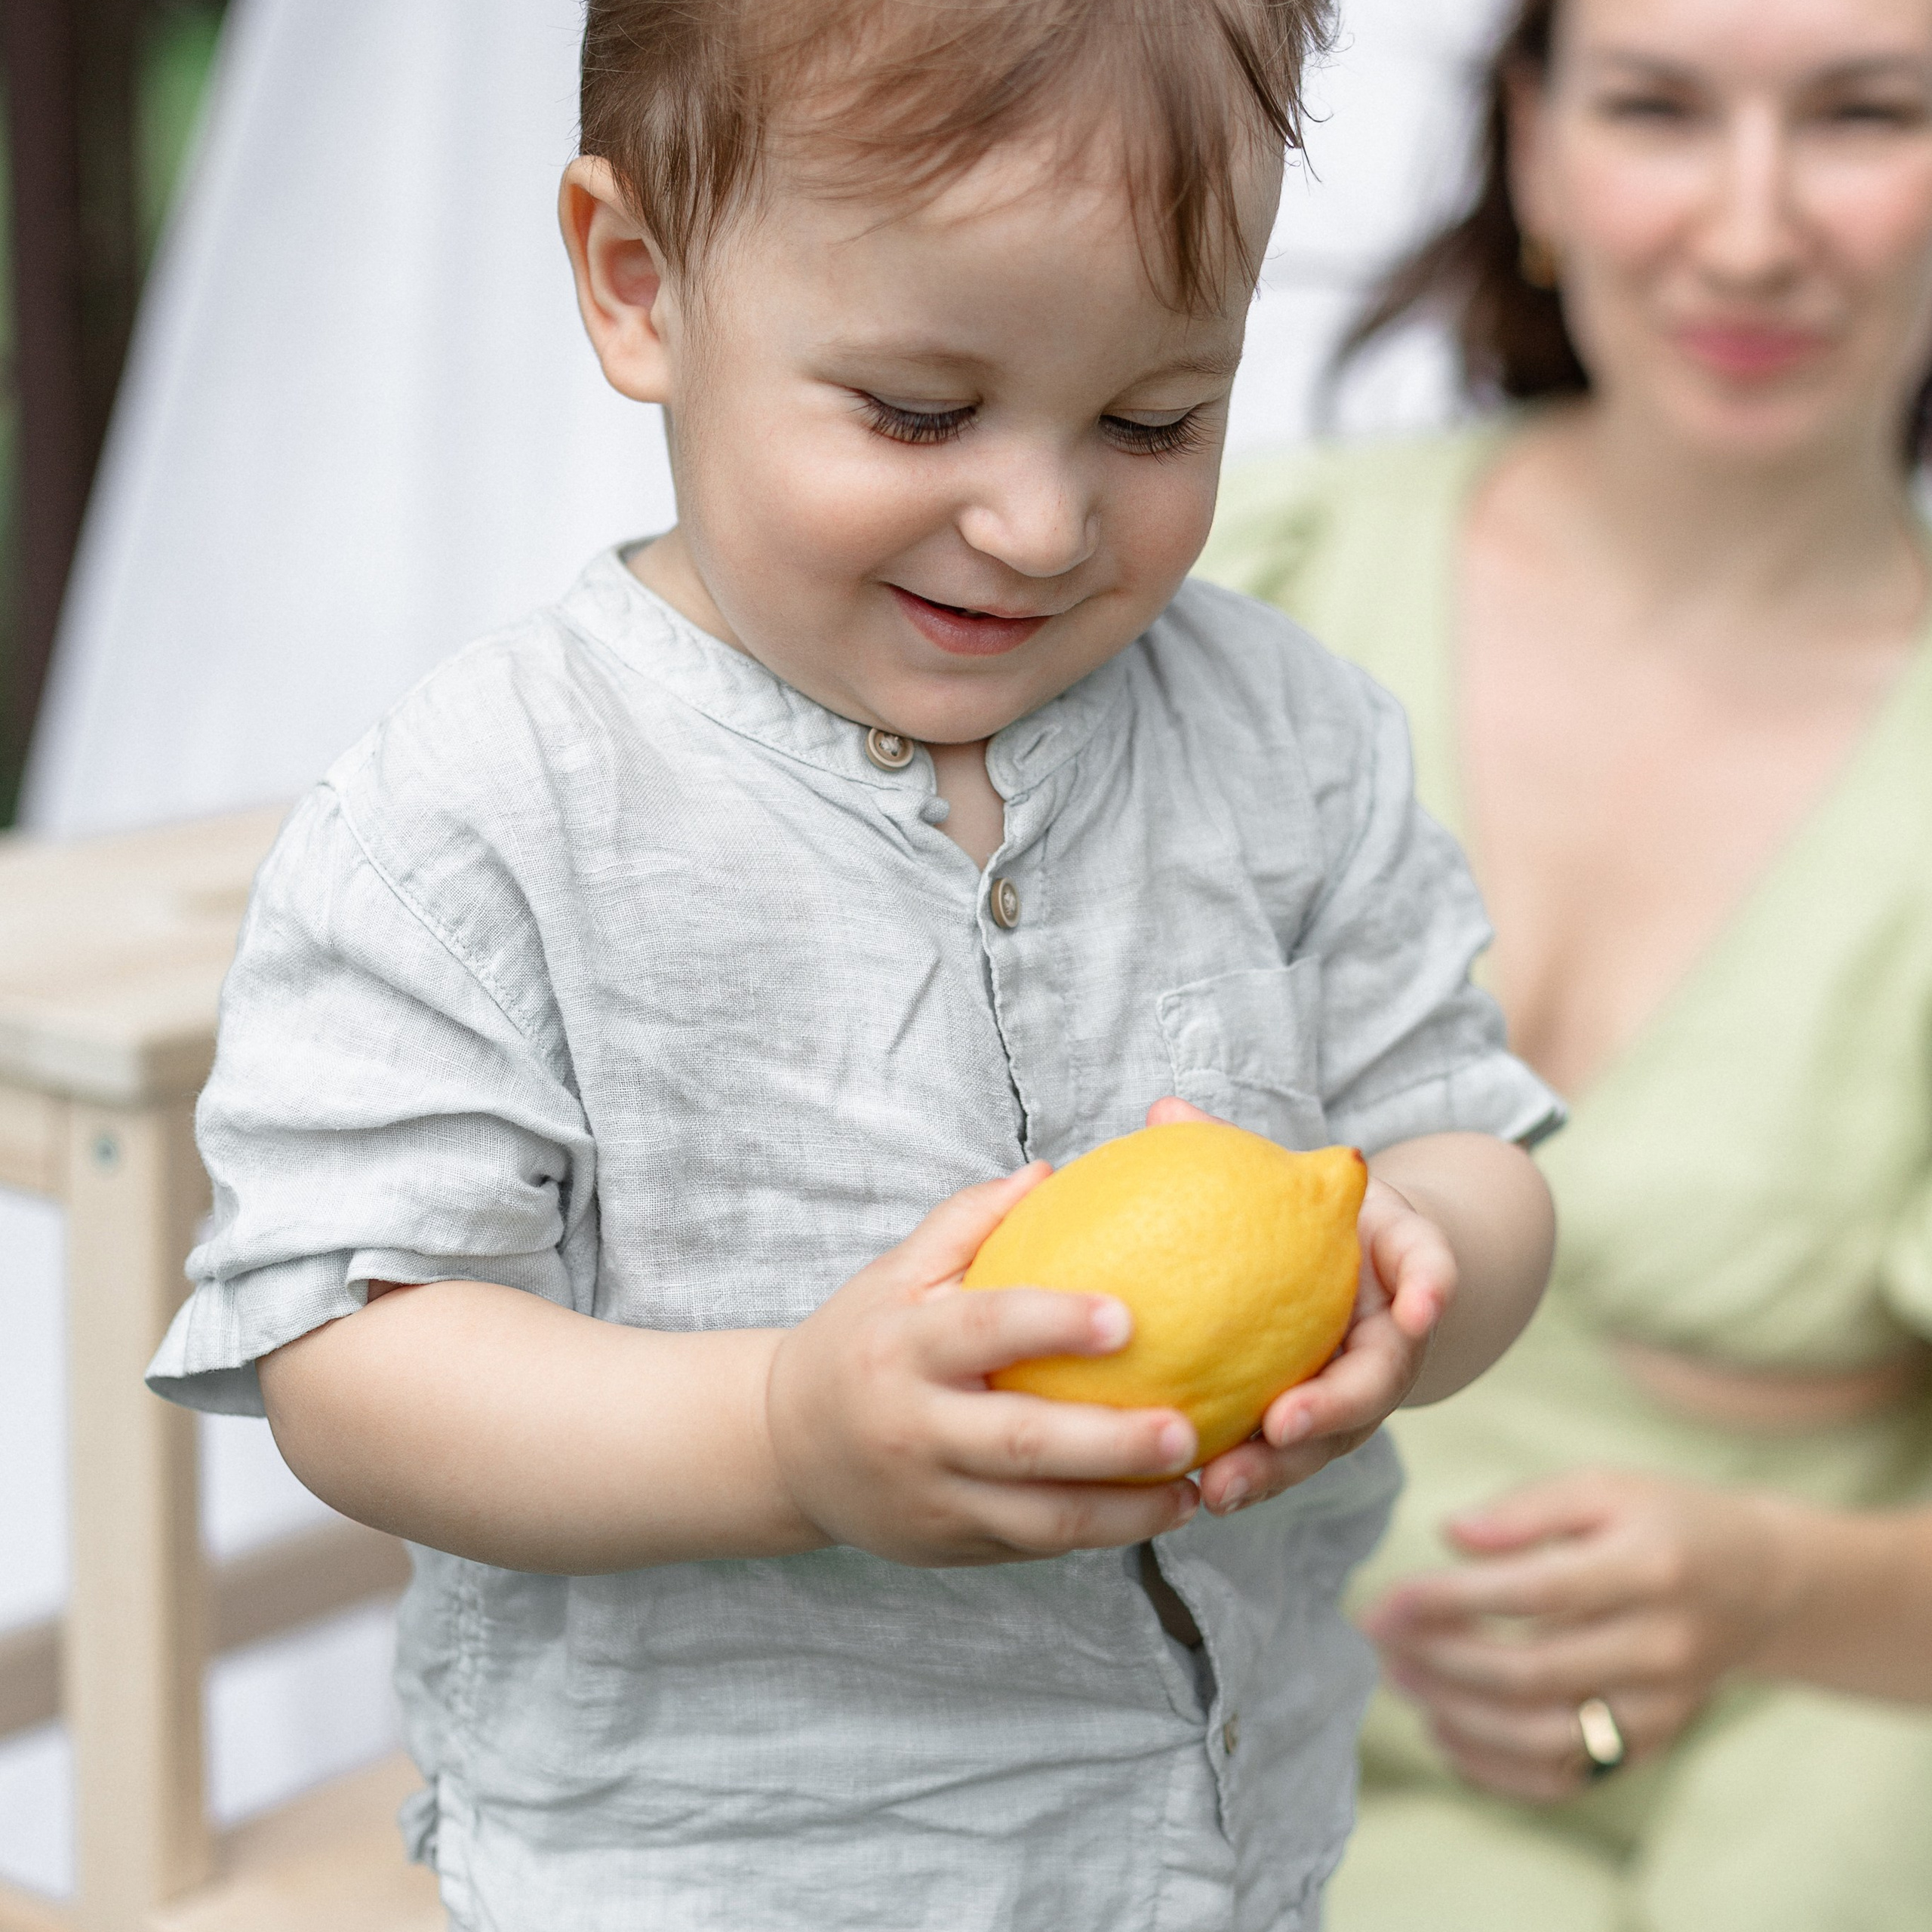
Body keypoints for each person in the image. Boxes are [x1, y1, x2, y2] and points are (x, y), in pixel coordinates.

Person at [143, 2, 1562, 1925]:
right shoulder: (479, 812)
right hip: (705, 1875)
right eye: (915, 410)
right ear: (636, 280)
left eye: (1154, 418)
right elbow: (358, 1356)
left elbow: (1464, 1135)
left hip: (1216, 1863)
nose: (1038, 524)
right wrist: (781, 1436)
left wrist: (1413, 1261)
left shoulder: (1283, 741)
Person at [1201, 1, 1932, 1927]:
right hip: (1177, 1704)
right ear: (1530, 148)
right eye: (1658, 110)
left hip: (1793, 1767)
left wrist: (1769, 1587)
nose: (1750, 232)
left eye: (1863, 116)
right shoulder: (1243, 584)